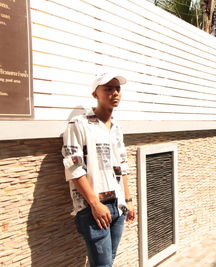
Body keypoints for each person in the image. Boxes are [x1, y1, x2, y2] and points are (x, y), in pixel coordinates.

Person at [61, 72, 135, 266]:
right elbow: (74, 167)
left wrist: (128, 200)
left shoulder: (116, 127)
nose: (115, 93)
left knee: (107, 261)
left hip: (118, 206)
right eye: (108, 89)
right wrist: (95, 204)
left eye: (117, 89)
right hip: (93, 207)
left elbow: (123, 165)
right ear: (95, 94)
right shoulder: (79, 124)